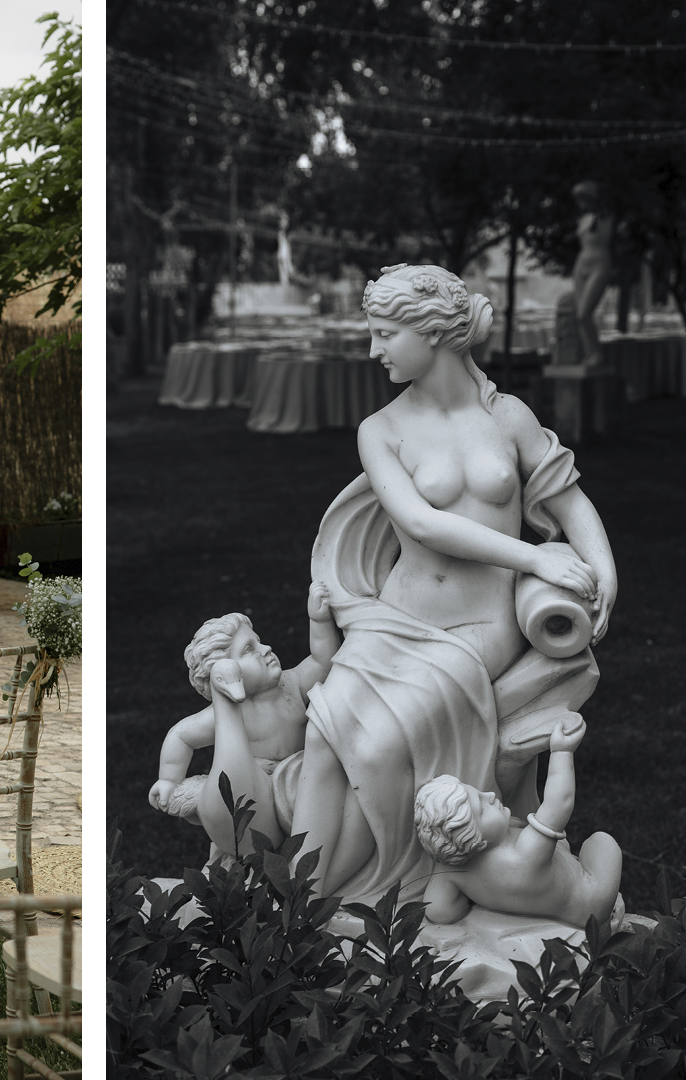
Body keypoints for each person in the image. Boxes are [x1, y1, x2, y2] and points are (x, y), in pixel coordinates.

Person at [287, 262, 618, 903]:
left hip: (476, 628)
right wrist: (535, 558)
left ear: (432, 332)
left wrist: (603, 572)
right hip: (395, 616)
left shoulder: (511, 418)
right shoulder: (380, 429)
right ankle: (299, 904)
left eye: (385, 334)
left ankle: (386, 890)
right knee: (323, 732)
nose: (374, 349)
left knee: (382, 743)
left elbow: (570, 501)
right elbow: (420, 522)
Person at [147, 584, 338, 853]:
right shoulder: (229, 714)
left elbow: (322, 661)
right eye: (249, 649)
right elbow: (181, 735)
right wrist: (168, 780)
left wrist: (318, 620)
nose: (266, 648)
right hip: (260, 791)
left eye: (258, 641)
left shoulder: (291, 684)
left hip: (303, 779)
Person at [413, 714, 621, 928]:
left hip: (548, 891)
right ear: (477, 841)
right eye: (482, 808)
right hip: (589, 904)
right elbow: (559, 804)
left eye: (479, 793)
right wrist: (562, 752)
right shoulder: (523, 855)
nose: (490, 796)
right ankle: (609, 907)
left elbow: (439, 911)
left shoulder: (450, 873)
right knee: (600, 841)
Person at [570, 181, 614, 367]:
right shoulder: (583, 218)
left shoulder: (605, 217)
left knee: (584, 313)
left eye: (582, 198)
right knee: (579, 314)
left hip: (599, 264)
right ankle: (590, 355)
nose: (579, 202)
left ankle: (597, 354)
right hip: (581, 266)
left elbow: (605, 238)